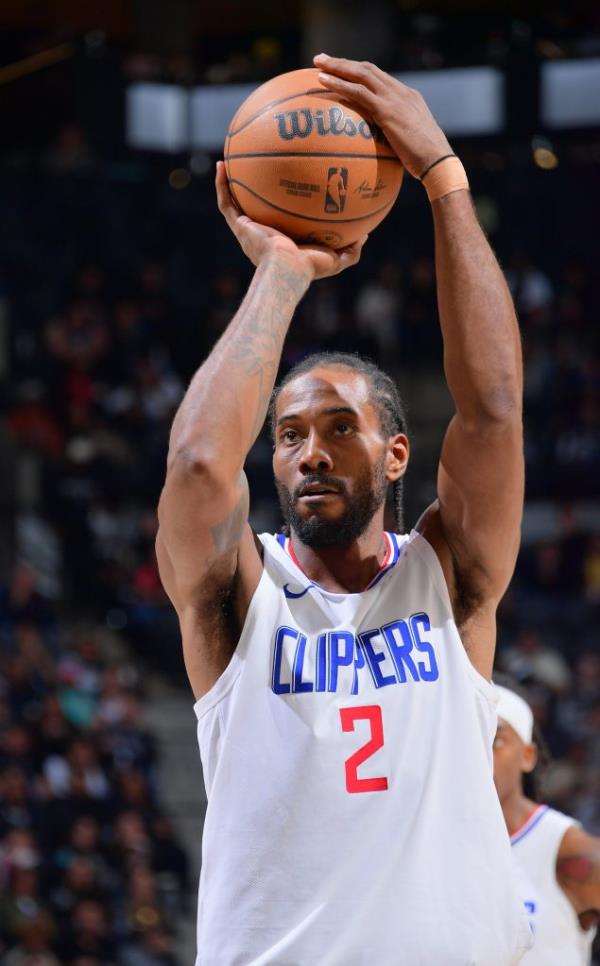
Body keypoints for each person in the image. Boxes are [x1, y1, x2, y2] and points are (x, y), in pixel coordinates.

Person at [156, 53, 531, 964]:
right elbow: (203, 459)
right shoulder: (237, 598)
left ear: (398, 452)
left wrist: (444, 179)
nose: (309, 452)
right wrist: (283, 272)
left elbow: (491, 410)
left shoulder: (452, 579)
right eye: (287, 435)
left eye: (337, 428)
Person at [493, 680, 599, 965]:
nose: (478, 753)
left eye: (494, 740)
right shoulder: (434, 841)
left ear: (528, 756)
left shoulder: (568, 847)